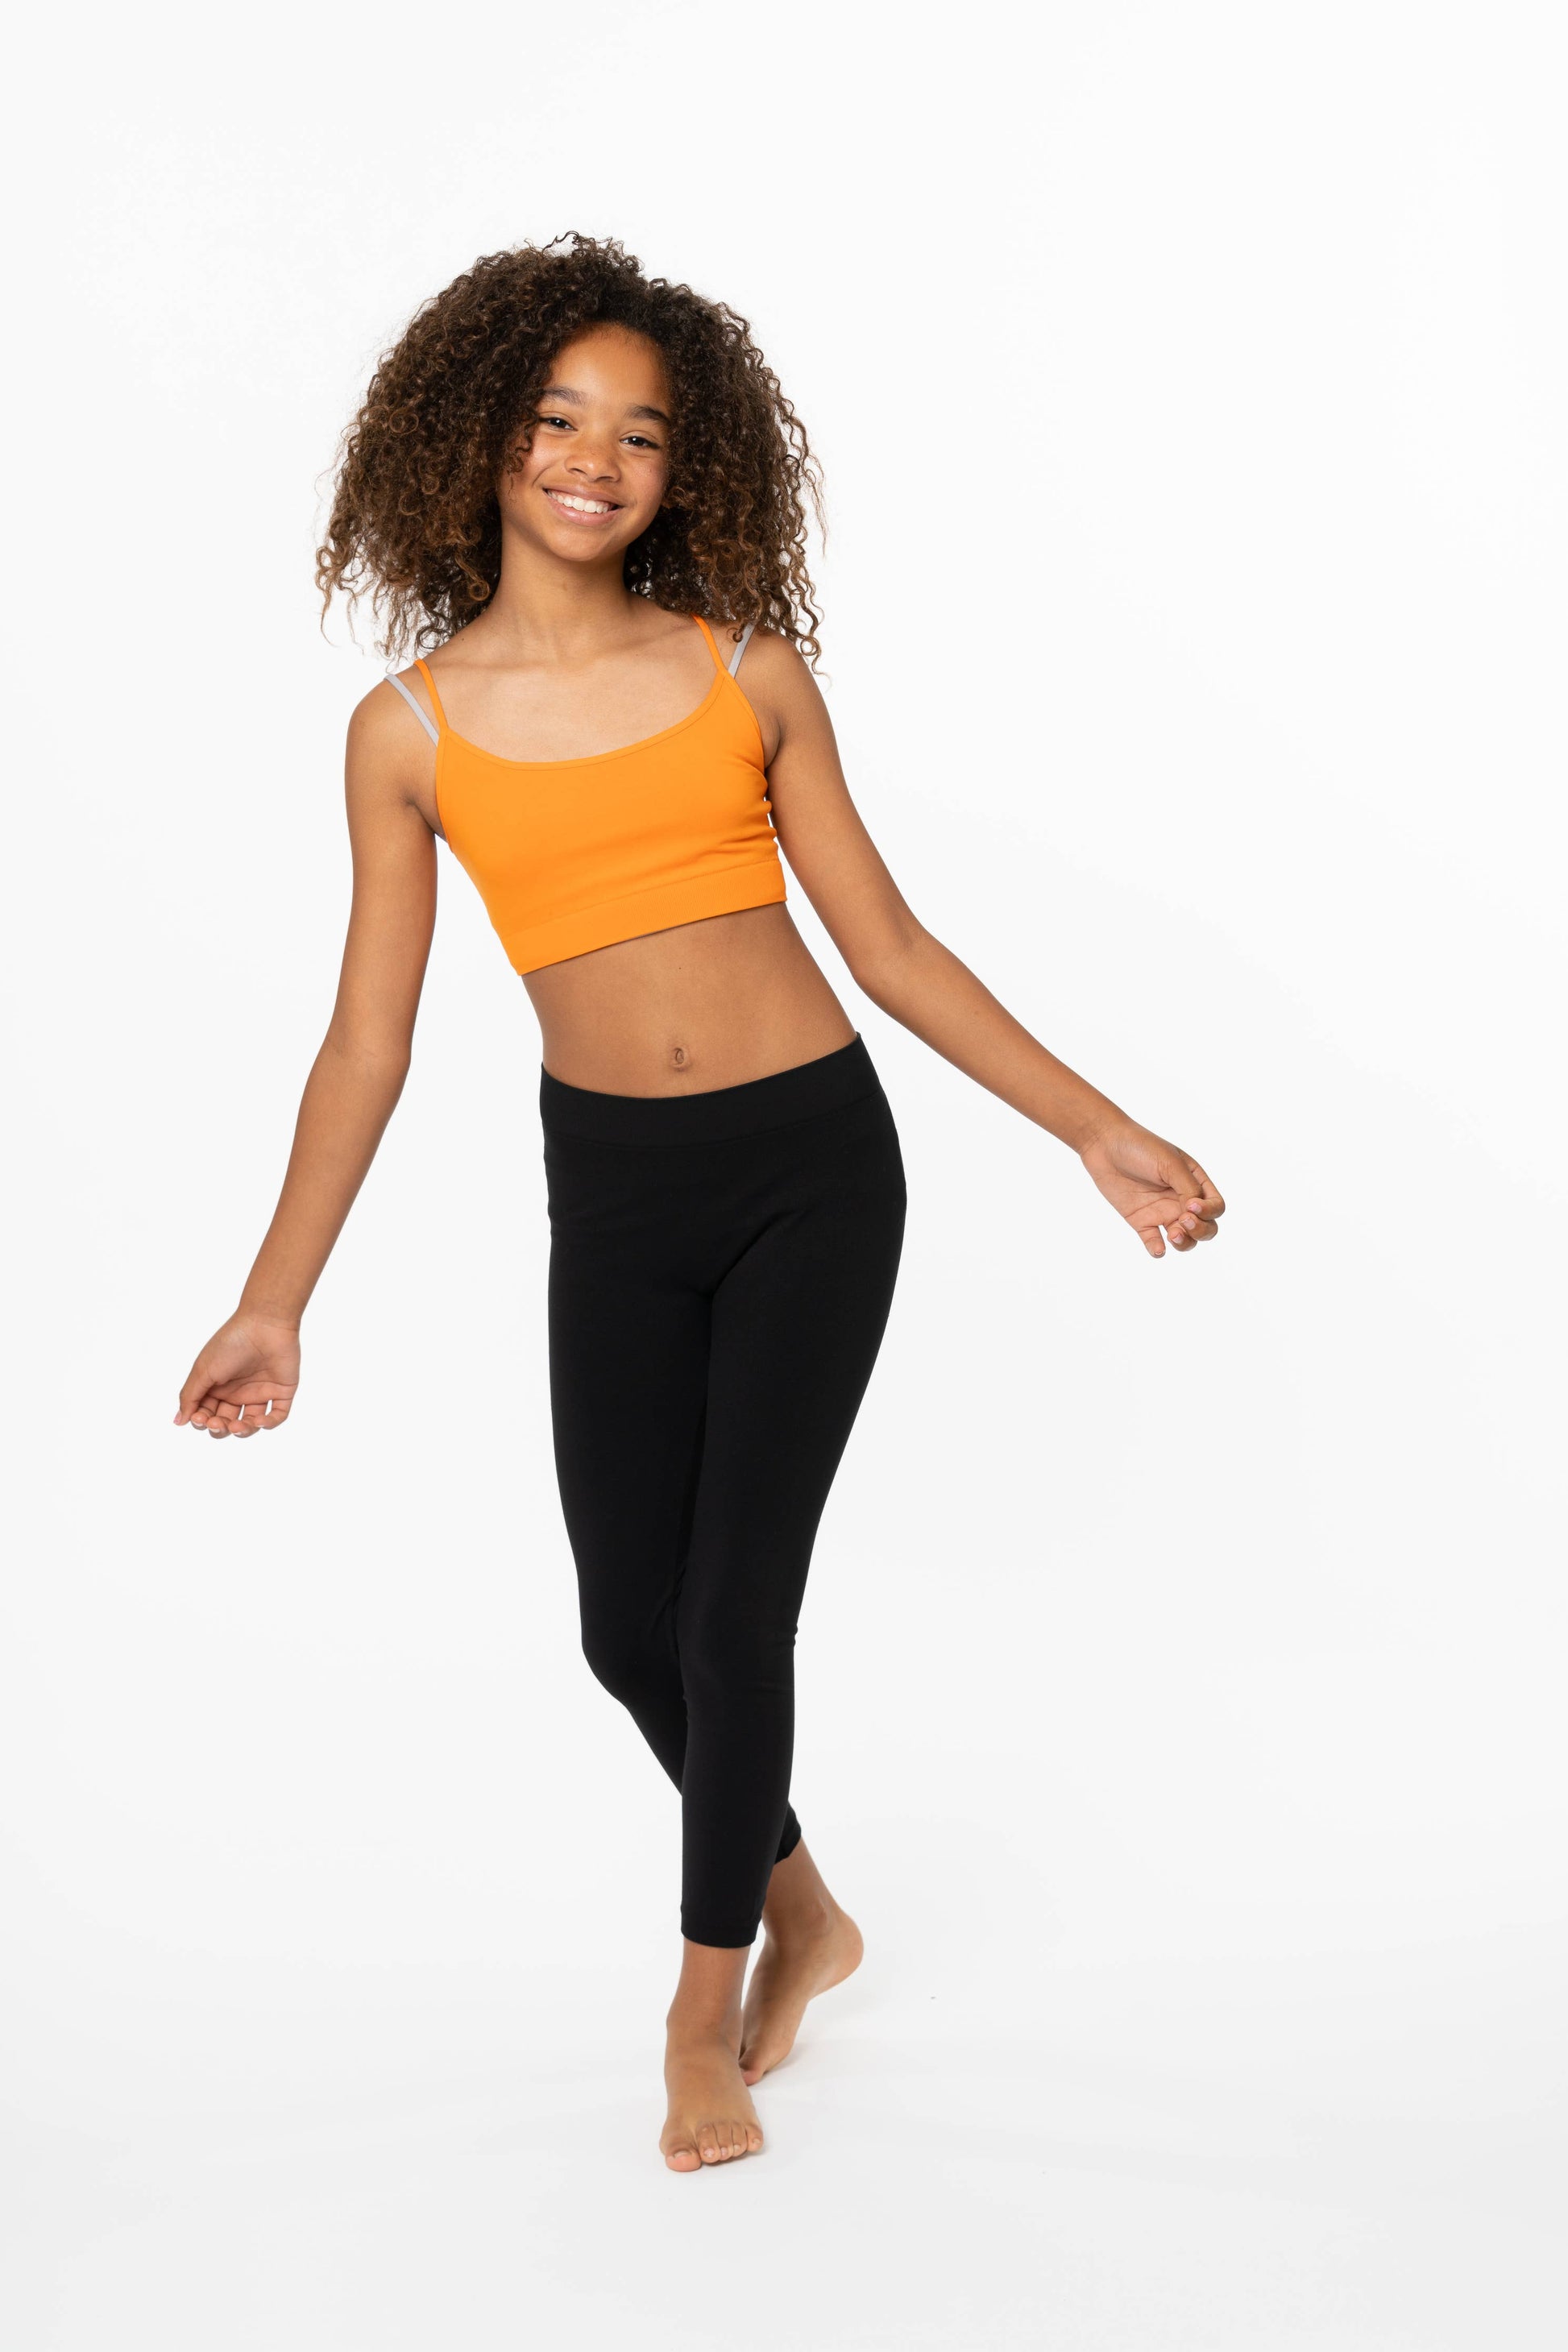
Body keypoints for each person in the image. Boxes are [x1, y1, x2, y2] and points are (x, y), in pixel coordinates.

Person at [174, 234, 1226, 2175]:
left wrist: (1092, 1126)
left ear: (689, 466)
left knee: (733, 1614)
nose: (597, 459)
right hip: (618, 1191)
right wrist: (275, 1294)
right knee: (624, 1627)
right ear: (475, 439)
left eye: (642, 433)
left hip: (811, 1167)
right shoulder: (408, 729)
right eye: (557, 418)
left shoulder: (741, 670)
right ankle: (805, 1906)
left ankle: (698, 2009)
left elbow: (891, 948)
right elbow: (365, 1041)